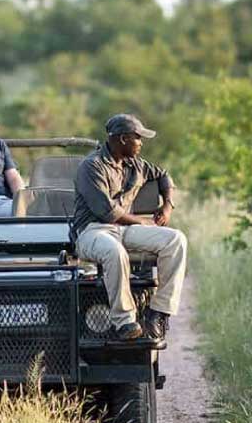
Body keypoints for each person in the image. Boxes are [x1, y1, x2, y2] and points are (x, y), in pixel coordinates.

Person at [73, 114, 187, 341]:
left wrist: (167, 206)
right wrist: (142, 221)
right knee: (114, 252)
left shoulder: (136, 164)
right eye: (138, 137)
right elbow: (107, 212)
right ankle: (125, 322)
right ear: (123, 139)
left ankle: (158, 313)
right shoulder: (91, 166)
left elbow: (164, 176)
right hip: (93, 230)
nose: (141, 143)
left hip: (124, 230)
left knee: (176, 240)